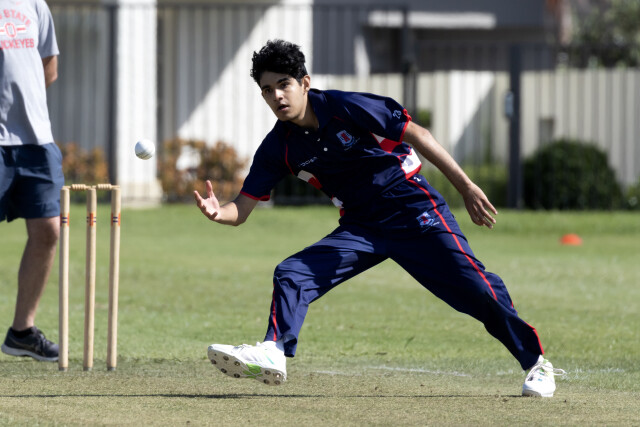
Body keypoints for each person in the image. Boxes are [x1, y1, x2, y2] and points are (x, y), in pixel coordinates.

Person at [194, 39, 564, 396]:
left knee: (477, 289)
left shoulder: (343, 106)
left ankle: (537, 364)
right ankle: (273, 351)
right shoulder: (279, 146)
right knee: (292, 273)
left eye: (284, 84)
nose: (277, 95)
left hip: (412, 207)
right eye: (267, 89)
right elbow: (241, 209)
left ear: (305, 83)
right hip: (362, 226)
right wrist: (218, 212)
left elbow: (417, 134)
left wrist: (466, 187)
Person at [1, 0, 61, 362]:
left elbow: (48, 67)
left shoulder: (35, 4)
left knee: (48, 231)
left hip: (37, 140)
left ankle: (21, 332)